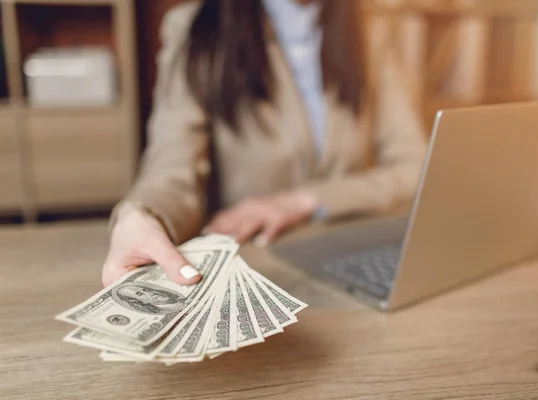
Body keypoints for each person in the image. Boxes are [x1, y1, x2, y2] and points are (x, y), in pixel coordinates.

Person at [102, 0, 427, 287]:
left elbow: (417, 168)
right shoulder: (195, 28)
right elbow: (172, 166)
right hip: (252, 264)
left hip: (353, 257)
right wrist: (144, 215)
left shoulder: (372, 31)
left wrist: (302, 201)